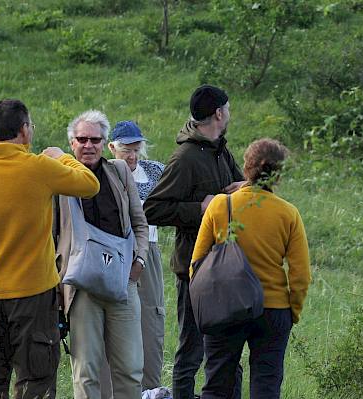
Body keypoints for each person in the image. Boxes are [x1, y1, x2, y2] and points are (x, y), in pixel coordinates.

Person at [0, 99, 100, 398]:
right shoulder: (40, 167)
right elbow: (90, 183)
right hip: (34, 295)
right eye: (30, 126)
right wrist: (62, 157)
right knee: (36, 378)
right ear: (23, 131)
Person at [144, 84, 246, 399]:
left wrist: (243, 188)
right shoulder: (185, 157)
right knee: (192, 347)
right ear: (218, 113)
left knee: (230, 347)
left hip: (227, 266)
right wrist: (200, 206)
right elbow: (153, 208)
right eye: (227, 108)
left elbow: (233, 186)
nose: (229, 113)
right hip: (194, 267)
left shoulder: (220, 149)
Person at [190, 138, 311, 399]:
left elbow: (196, 262)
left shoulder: (221, 205)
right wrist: (293, 312)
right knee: (266, 387)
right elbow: (301, 274)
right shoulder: (288, 213)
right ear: (278, 174)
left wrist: (207, 302)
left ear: (246, 167)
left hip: (225, 306)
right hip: (273, 309)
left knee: (216, 387)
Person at [55, 110, 150, 399]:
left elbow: (139, 221)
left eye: (95, 139)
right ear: (72, 143)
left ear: (104, 142)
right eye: (81, 139)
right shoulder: (58, 179)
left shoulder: (119, 171)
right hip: (81, 285)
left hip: (122, 280)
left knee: (131, 369)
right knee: (86, 372)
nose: (88, 145)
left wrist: (140, 260)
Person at [107, 120, 166, 391]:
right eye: (125, 150)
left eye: (135, 149)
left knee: (151, 320)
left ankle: (150, 389)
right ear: (112, 148)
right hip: (113, 252)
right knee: (114, 322)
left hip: (148, 250)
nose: (131, 156)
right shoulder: (105, 173)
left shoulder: (155, 172)